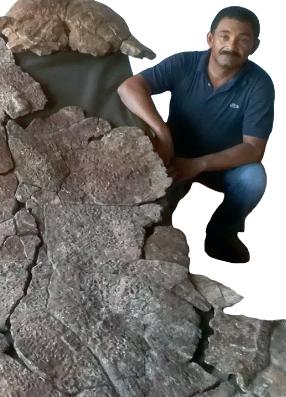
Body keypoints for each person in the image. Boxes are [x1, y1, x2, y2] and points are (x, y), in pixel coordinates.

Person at [117, 6, 274, 263]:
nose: (231, 45)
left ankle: (222, 234)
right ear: (210, 38)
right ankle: (159, 239)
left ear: (254, 46)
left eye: (242, 39)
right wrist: (162, 131)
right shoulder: (184, 63)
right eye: (224, 36)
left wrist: (199, 164)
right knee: (152, 219)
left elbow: (253, 148)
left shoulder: (260, 84)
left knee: (254, 177)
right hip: (174, 156)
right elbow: (129, 87)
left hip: (223, 164)